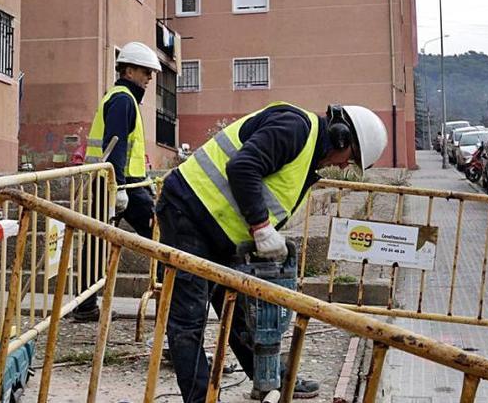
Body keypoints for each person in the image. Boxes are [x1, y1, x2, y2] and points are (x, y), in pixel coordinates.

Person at [156, 102, 388, 401]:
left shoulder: (308, 156)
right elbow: (242, 167)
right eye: (351, 158)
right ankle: (200, 397)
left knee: (239, 309)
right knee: (187, 317)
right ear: (341, 137)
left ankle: (269, 379)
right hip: (188, 212)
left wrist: (259, 230)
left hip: (219, 230)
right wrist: (261, 227)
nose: (345, 166)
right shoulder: (294, 128)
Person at [72, 41, 160, 322]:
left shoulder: (122, 98)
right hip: (122, 186)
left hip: (113, 183)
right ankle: (174, 299)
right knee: (162, 237)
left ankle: (85, 306)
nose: (149, 78)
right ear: (129, 70)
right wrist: (119, 187)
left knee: (97, 241)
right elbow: (117, 146)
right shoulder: (123, 100)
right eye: (146, 72)